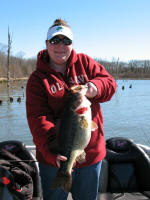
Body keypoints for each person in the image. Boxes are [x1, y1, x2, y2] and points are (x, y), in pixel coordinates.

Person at [26, 18, 117, 200]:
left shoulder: (85, 62)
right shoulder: (37, 80)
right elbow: (38, 120)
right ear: (46, 44)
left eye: (66, 41)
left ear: (72, 44)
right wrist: (54, 155)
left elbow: (110, 84)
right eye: (55, 40)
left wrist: (95, 87)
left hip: (90, 157)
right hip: (54, 160)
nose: (60, 46)